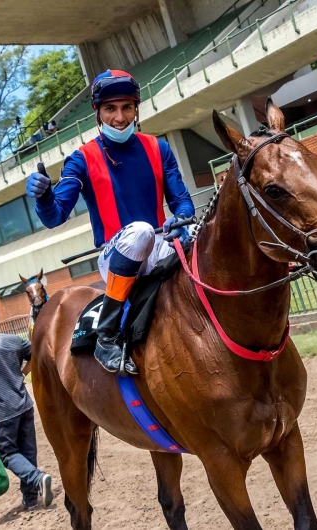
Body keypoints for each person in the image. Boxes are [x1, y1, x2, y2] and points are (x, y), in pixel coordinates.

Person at [25, 69, 194, 374]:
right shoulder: (81, 158)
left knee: (199, 231)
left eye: (127, 107)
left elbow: (181, 200)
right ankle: (107, 335)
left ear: (136, 108)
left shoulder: (159, 148)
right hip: (115, 252)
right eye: (111, 109)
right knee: (140, 231)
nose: (120, 117)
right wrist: (42, 196)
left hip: (159, 246)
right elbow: (55, 215)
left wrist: (182, 221)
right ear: (98, 111)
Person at [0, 306, 53, 511]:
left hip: (2, 411)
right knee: (28, 451)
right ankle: (31, 500)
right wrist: (23, 374)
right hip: (24, 405)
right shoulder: (14, 340)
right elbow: (35, 353)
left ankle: (37, 477)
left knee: (7, 454)